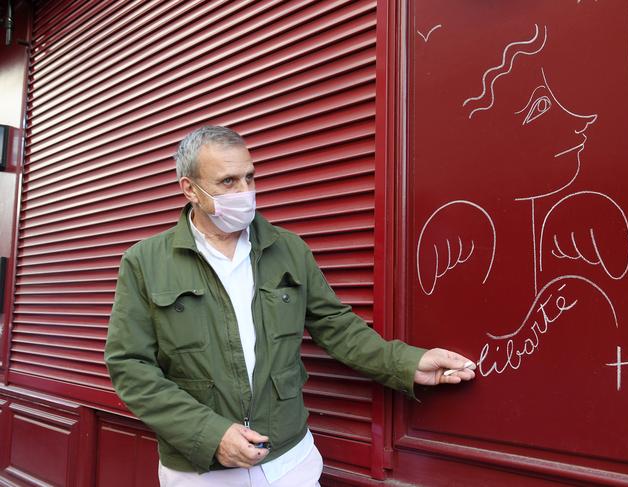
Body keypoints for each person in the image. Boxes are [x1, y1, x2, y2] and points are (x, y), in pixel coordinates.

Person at [104, 126, 476, 486]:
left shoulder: (288, 250)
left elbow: (336, 325)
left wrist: (407, 363)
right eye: (229, 182)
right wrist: (210, 433)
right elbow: (130, 366)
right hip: (199, 471)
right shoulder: (145, 263)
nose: (246, 192)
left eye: (250, 177)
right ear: (190, 189)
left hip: (288, 461)